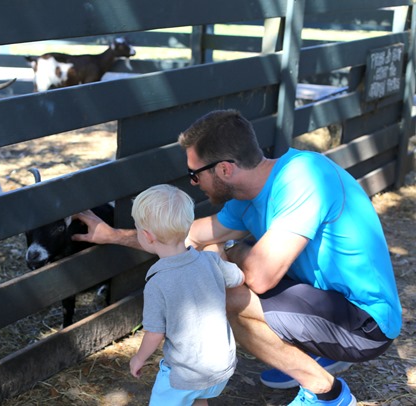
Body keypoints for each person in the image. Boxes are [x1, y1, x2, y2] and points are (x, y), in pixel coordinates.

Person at [73, 109, 402, 406]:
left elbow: (259, 277)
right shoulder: (246, 199)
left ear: (224, 169)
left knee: (225, 293)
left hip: (367, 324)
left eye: (194, 174)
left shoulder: (304, 177)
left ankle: (327, 394)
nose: (193, 183)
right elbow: (179, 239)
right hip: (326, 304)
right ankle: (313, 354)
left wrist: (232, 251)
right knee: (218, 275)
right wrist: (111, 235)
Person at [128, 184, 245, 406]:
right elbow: (238, 277)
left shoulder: (157, 282)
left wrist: (138, 358)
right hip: (220, 366)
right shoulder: (210, 260)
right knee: (198, 399)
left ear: (147, 236)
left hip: (186, 374)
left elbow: (154, 333)